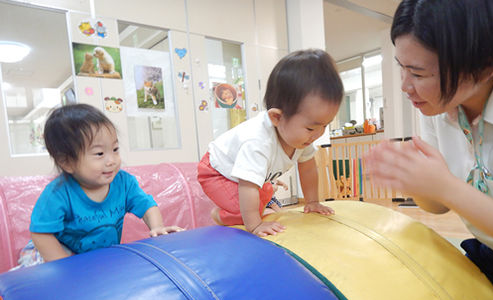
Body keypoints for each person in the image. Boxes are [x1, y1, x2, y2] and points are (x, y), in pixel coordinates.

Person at [365, 0, 493, 300]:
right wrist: (420, 183)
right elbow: (437, 207)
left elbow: (449, 192)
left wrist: (445, 186)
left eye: (418, 74)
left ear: (485, 66)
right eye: (401, 68)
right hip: (491, 256)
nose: (405, 86)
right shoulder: (439, 110)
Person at [14, 104, 183, 268]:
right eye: (99, 154)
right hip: (53, 252)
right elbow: (41, 234)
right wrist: (64, 265)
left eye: (115, 149)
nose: (112, 160)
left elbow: (147, 206)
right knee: (39, 273)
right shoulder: (58, 193)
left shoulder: (123, 182)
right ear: (67, 162)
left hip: (94, 256)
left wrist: (157, 228)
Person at [198, 49, 344, 237]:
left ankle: (244, 212)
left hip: (242, 176)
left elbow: (308, 168)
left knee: (264, 194)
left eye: (325, 125)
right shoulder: (257, 142)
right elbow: (248, 185)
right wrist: (254, 225)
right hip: (216, 171)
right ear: (276, 117)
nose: (318, 134)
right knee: (251, 205)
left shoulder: (303, 138)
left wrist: (312, 201)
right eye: (311, 128)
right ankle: (221, 215)